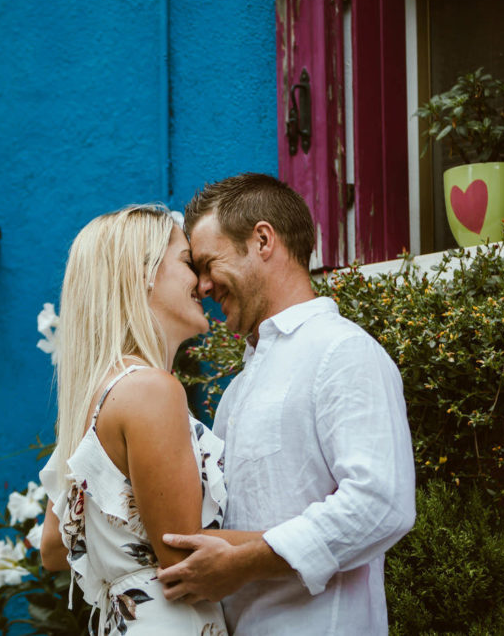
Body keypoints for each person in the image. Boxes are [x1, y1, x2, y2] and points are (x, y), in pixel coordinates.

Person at [156, 173, 416, 635]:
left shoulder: (342, 352)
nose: (202, 286)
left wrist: (245, 564)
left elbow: (380, 504)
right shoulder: (237, 390)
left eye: (208, 263)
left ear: (262, 241)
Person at [38, 205, 240, 636]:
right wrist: (306, 536)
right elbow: (182, 553)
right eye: (188, 263)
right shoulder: (151, 389)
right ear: (142, 272)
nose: (202, 283)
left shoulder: (94, 400)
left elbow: (53, 548)